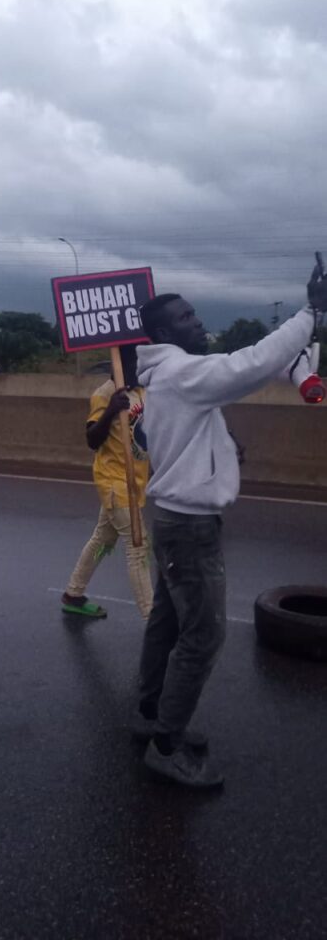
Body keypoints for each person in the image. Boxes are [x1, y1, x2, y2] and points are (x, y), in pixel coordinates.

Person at [133, 267, 327, 789]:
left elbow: (257, 368)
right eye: (186, 318)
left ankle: (151, 712)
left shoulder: (171, 376)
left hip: (173, 521)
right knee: (204, 636)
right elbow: (251, 364)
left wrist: (303, 376)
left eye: (194, 313)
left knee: (168, 624)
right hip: (191, 529)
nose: (197, 323)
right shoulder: (181, 375)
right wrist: (312, 313)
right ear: (164, 334)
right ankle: (166, 745)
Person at [62, 344, 153, 620]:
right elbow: (92, 439)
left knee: (102, 540)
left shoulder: (141, 392)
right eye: (136, 362)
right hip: (114, 484)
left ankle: (73, 594)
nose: (141, 367)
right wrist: (111, 410)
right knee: (138, 546)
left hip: (134, 482)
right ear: (121, 364)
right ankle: (152, 618)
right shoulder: (104, 394)